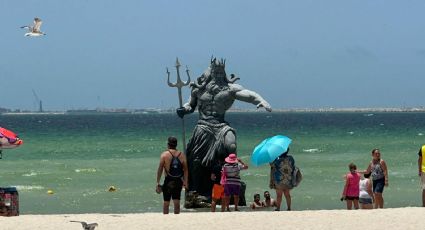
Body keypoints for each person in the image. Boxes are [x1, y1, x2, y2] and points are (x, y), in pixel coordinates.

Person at [176, 58, 272, 202]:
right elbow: (191, 105)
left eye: (221, 72)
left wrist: (261, 100)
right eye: (215, 72)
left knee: (231, 144)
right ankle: (195, 189)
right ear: (209, 73)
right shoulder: (198, 89)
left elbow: (249, 94)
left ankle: (232, 179)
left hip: (221, 125)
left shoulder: (229, 89)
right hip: (203, 125)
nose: (218, 75)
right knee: (195, 157)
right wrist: (184, 109)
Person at [156, 136, 188, 214]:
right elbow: (186, 170)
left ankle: (166, 219)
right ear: (176, 144)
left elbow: (160, 169)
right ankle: (176, 219)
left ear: (168, 144)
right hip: (178, 181)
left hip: (168, 181)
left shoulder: (164, 155)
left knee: (166, 203)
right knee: (176, 202)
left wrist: (157, 182)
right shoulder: (182, 155)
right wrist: (185, 182)